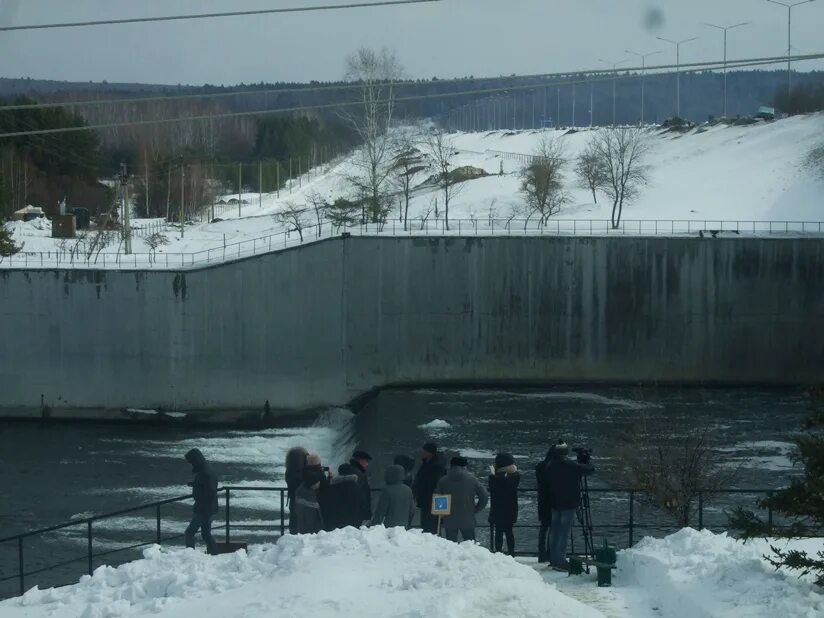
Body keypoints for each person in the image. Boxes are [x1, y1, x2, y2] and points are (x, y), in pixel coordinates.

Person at [545, 440, 594, 569]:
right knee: (564, 532)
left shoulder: (550, 465)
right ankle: (561, 561)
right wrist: (585, 461)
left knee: (554, 531)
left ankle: (554, 559)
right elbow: (589, 470)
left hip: (554, 501)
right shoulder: (569, 465)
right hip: (568, 502)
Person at [435, 456, 488, 542]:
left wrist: (442, 516)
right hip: (467, 518)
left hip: (449, 519)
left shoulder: (442, 481)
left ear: (451, 466)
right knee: (470, 545)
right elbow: (484, 496)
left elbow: (438, 500)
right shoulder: (472, 479)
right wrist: (476, 509)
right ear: (464, 467)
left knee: (450, 546)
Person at [184, 448, 218, 555]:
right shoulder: (206, 470)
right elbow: (206, 486)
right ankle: (215, 553)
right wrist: (195, 485)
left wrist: (198, 496)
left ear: (196, 460)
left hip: (204, 509)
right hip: (209, 508)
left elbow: (209, 491)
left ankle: (190, 556)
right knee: (206, 534)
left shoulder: (205, 473)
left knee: (189, 533)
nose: (191, 464)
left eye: (191, 462)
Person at [488, 453, 520, 556]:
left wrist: (497, 476)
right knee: (507, 531)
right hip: (509, 508)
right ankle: (510, 553)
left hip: (499, 508)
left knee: (500, 531)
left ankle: (500, 553)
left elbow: (501, 486)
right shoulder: (514, 474)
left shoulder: (494, 477)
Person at [412, 442, 447, 534]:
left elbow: (438, 485)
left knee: (432, 526)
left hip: (432, 500)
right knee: (427, 525)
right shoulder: (427, 463)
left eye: (424, 451)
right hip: (425, 500)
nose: (422, 452)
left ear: (430, 452)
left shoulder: (436, 467)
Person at [318, 463, 364, 531]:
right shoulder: (356, 487)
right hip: (353, 525)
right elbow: (362, 504)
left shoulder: (332, 487)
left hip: (335, 525)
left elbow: (326, 505)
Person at [371, 464, 416, 528]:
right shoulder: (408, 490)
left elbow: (380, 512)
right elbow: (412, 510)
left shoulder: (387, 490)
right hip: (403, 527)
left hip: (389, 527)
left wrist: (374, 526)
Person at [291, 453, 325, 534]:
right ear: (318, 464)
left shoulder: (303, 474)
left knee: (303, 529)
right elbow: (321, 487)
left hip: (301, 507)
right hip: (313, 508)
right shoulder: (317, 477)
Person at [535, 446, 555, 563]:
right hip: (554, 501)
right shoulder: (555, 468)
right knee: (553, 530)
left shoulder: (540, 466)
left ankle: (541, 554)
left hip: (542, 499)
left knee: (544, 528)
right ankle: (550, 553)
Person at [285, 447, 308, 534]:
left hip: (293, 500)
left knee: (294, 524)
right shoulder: (303, 474)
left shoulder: (289, 472)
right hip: (303, 502)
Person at [349, 450, 373, 521]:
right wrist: (366, 513)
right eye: (366, 461)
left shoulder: (350, 471)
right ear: (360, 461)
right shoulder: (359, 475)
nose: (367, 464)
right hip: (357, 513)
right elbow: (362, 495)